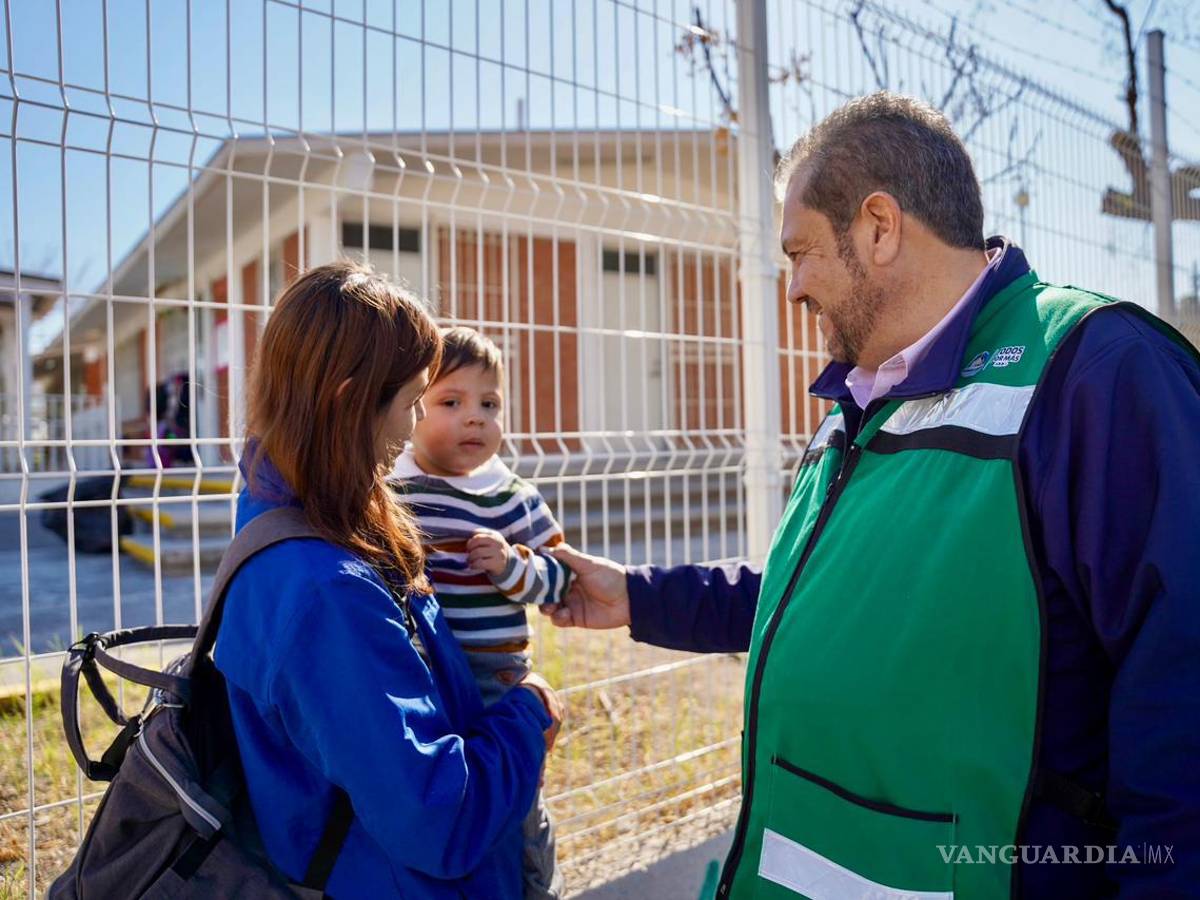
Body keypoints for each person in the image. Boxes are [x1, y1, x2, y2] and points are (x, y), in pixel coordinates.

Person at [547, 92, 1200, 898]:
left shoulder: (1098, 375)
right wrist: (637, 597)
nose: (792, 289)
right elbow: (820, 598)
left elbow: (1184, 705)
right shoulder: (859, 398)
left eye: (800, 252)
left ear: (879, 228)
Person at [214, 261, 563, 898]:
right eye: (411, 403)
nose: (408, 431)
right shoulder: (326, 592)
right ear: (351, 399)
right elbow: (438, 819)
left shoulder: (293, 514)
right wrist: (528, 713)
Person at [389, 326, 571, 898]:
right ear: (410, 410)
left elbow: (559, 576)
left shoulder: (511, 497)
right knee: (448, 808)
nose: (475, 419)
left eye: (489, 404)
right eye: (451, 402)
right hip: (427, 689)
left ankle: (534, 886)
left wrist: (512, 569)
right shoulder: (396, 492)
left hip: (499, 686)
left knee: (516, 809)